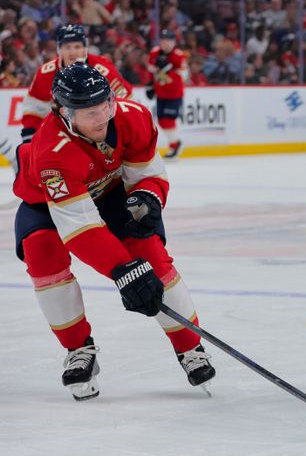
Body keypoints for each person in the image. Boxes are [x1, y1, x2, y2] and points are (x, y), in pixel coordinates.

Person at [13, 63, 215, 401]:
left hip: (111, 192)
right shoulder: (51, 152)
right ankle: (79, 350)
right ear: (65, 113)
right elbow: (79, 227)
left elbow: (149, 173)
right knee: (42, 251)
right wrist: (123, 271)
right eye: (90, 112)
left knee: (151, 256)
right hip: (47, 204)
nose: (102, 116)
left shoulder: (132, 115)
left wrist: (148, 197)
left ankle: (190, 346)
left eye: (105, 104)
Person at [1, 24, 133, 170]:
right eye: (67, 47)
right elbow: (34, 108)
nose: (73, 52)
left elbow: (126, 100)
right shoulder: (46, 73)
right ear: (59, 49)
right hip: (64, 132)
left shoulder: (102, 68)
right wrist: (29, 137)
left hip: (99, 129)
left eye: (77, 46)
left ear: (85, 48)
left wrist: (116, 134)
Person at [147, 29, 187, 159]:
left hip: (174, 94)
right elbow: (151, 69)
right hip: (161, 93)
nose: (166, 43)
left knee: (168, 120)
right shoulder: (154, 53)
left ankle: (174, 145)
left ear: (174, 42)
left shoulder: (178, 55)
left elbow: (184, 75)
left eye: (169, 41)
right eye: (163, 40)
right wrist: (150, 85)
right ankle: (175, 143)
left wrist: (168, 70)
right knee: (162, 121)